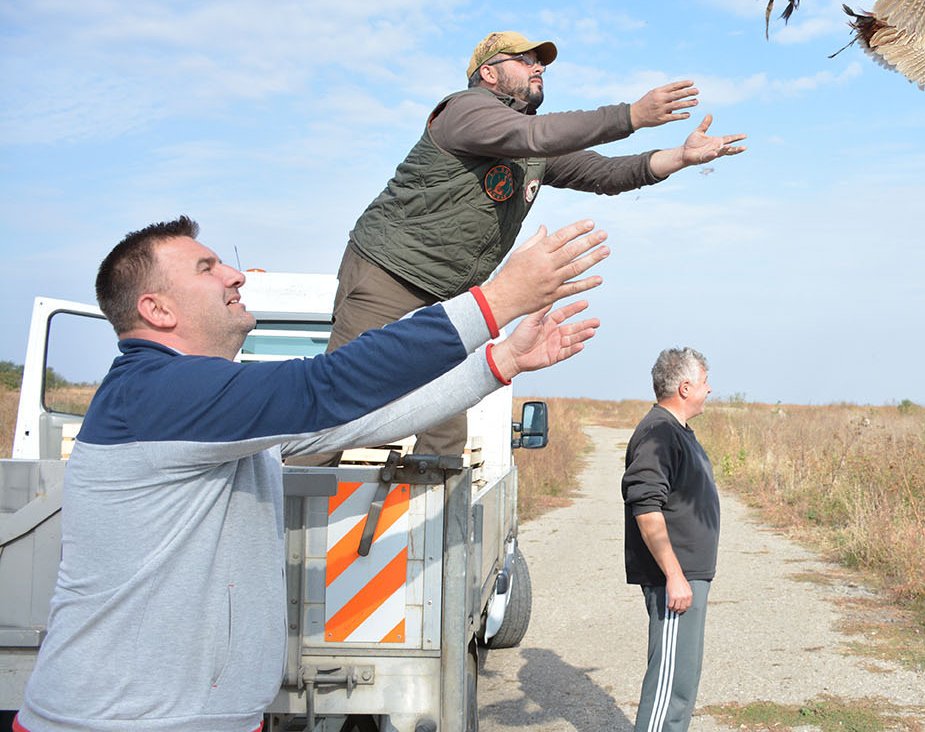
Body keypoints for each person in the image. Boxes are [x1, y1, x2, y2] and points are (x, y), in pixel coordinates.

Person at [15, 214, 606, 732]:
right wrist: (493, 302)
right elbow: (329, 385)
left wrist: (497, 363)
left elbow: (361, 420)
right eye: (206, 267)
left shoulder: (206, 407)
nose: (235, 275)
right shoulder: (158, 391)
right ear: (157, 309)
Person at [288, 31, 746, 466]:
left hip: (451, 295)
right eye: (526, 60)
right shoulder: (465, 110)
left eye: (541, 62)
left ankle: (437, 541)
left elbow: (605, 174)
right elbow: (537, 135)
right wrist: (630, 115)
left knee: (444, 427)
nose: (538, 67)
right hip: (388, 272)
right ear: (489, 73)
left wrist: (680, 158)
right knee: (338, 402)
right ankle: (288, 526)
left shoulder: (530, 146)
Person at [621, 347, 721, 732]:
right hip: (674, 580)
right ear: (684, 387)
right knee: (669, 687)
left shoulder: (676, 431)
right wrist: (675, 575)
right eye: (704, 381)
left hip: (688, 576)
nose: (709, 389)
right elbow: (646, 508)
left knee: (682, 681)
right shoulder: (658, 432)